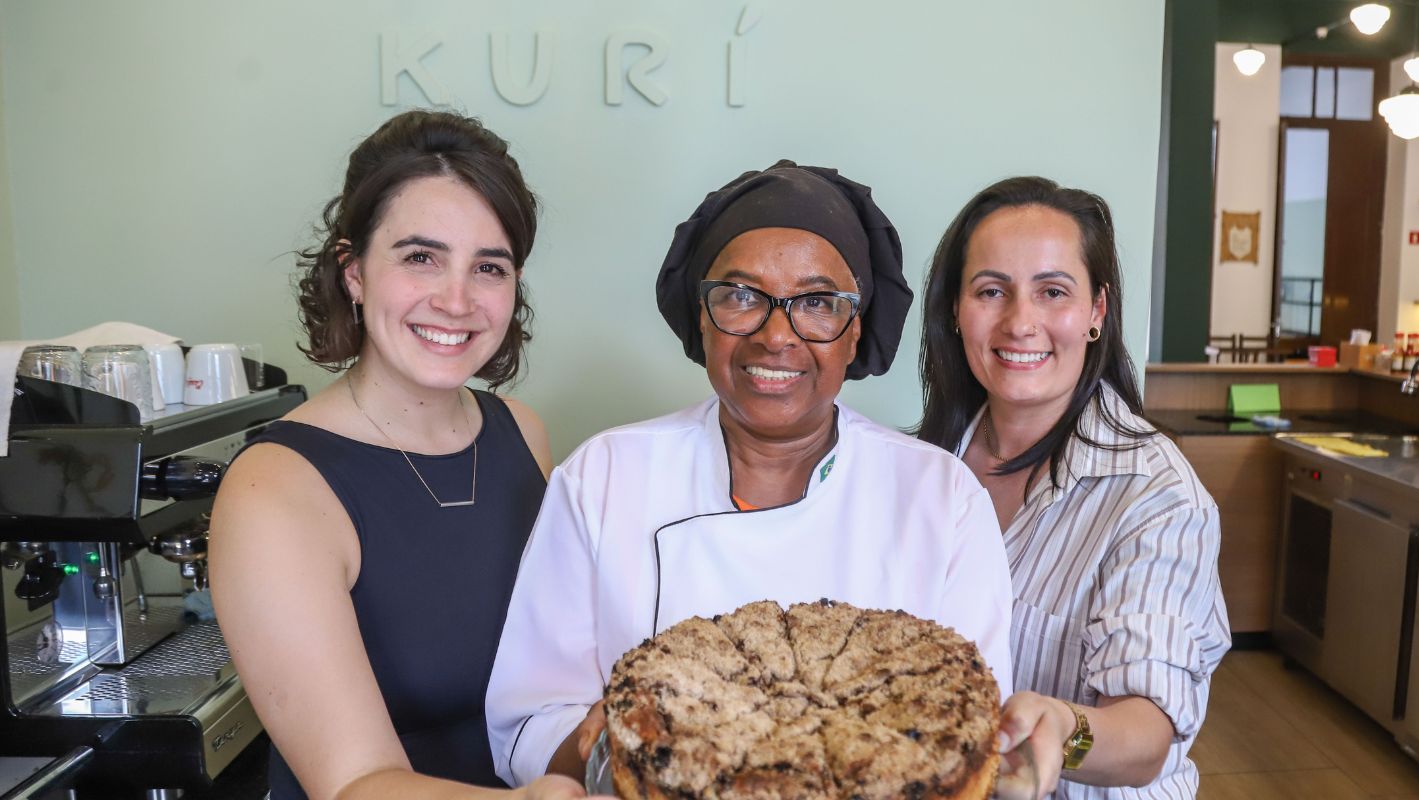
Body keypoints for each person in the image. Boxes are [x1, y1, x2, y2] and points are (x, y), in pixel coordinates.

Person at [485, 160, 1016, 786]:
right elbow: (525, 724)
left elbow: (969, 732)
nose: (775, 335)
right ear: (702, 320)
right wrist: (625, 751)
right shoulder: (604, 477)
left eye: (817, 303)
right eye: (741, 296)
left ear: (856, 331)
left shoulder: (940, 496)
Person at [211, 111, 598, 800]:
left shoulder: (522, 433)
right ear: (352, 270)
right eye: (421, 257)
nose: (456, 300)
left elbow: (548, 679)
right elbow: (355, 782)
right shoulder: (274, 489)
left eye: (489, 267)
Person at [916, 177, 1230, 799]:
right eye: (991, 291)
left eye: (1052, 291)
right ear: (956, 310)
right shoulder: (925, 467)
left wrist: (1066, 728)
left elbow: (1149, 735)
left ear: (1096, 312)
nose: (1020, 322)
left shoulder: (1155, 495)